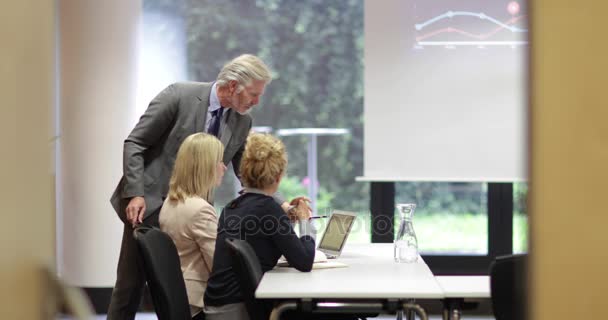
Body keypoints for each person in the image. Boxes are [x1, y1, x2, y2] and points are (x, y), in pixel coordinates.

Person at [108, 54, 296, 320]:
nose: (257, 102)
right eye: (253, 94)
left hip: (194, 210)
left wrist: (282, 204)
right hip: (148, 203)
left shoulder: (242, 122)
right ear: (233, 86)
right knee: (130, 285)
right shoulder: (178, 96)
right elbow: (135, 143)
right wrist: (135, 193)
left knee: (180, 283)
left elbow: (249, 174)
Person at [203, 133, 315, 320]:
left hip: (217, 306)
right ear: (278, 177)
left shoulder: (232, 208)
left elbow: (264, 237)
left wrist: (286, 218)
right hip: (240, 309)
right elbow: (304, 261)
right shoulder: (268, 209)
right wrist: (305, 221)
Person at [158, 133, 225, 319]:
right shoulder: (200, 209)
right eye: (220, 161)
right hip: (200, 304)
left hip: (181, 299)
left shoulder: (171, 203)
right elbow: (220, 267)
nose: (224, 167)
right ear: (206, 166)